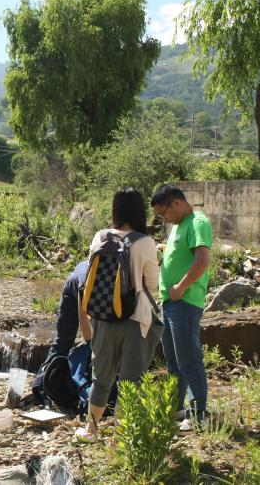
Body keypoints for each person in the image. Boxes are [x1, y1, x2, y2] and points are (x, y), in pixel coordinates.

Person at [76, 188, 163, 441]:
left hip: (102, 317)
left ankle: (91, 430)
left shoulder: (100, 236)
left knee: (101, 378)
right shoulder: (145, 242)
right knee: (130, 381)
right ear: (139, 212)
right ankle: (121, 437)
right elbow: (152, 284)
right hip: (137, 321)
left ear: (115, 209)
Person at [151, 184, 212, 427]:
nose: (164, 218)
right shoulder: (179, 226)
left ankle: (199, 415)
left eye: (163, 213)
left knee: (189, 359)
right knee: (174, 361)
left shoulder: (197, 222)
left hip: (184, 301)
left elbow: (203, 259)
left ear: (175, 202)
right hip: (170, 302)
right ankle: (177, 410)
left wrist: (182, 287)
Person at [43, 260, 90, 367]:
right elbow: (85, 326)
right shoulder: (84, 284)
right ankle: (44, 378)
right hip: (72, 292)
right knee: (63, 341)